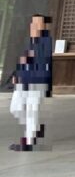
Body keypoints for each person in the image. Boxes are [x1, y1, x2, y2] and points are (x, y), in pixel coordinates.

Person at [8, 15, 52, 151]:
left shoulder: (45, 43)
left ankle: (29, 141)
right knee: (15, 108)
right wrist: (17, 75)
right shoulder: (30, 42)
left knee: (31, 112)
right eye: (33, 23)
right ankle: (36, 130)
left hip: (36, 81)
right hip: (24, 80)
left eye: (37, 24)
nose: (34, 26)